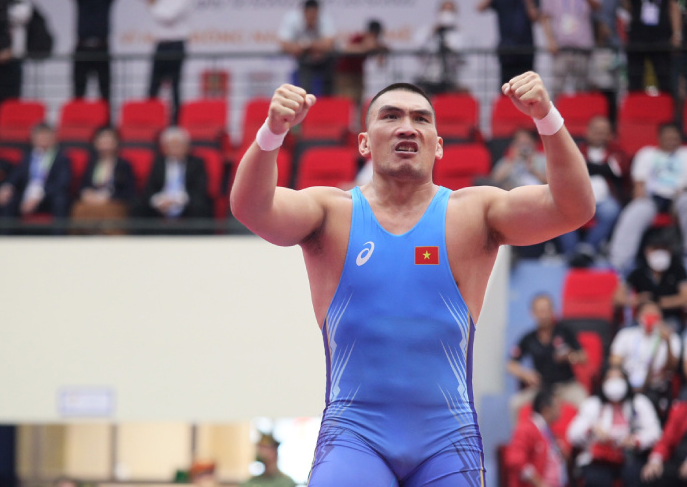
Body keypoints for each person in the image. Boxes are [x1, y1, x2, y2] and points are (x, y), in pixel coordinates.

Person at [230, 70, 595, 484]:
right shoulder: (331, 212)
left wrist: (546, 117)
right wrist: (273, 132)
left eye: (421, 118)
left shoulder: (472, 213)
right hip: (354, 437)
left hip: (447, 443)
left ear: (438, 146)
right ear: (364, 143)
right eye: (391, 116)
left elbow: (574, 208)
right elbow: (251, 208)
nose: (407, 127)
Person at [609, 123, 687, 275]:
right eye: (667, 138)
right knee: (635, 211)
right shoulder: (647, 154)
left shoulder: (685, 155)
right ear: (659, 138)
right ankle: (619, 263)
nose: (671, 141)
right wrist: (641, 201)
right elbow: (639, 184)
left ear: (680, 139)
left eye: (674, 138)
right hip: (652, 197)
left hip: (679, 197)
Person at [567, 365, 662, 487]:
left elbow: (655, 432)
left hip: (630, 457)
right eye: (610, 378)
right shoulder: (593, 404)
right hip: (600, 459)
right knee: (596, 479)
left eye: (619, 378)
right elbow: (572, 435)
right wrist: (591, 429)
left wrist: (636, 440)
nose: (614, 383)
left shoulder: (639, 402)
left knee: (637, 476)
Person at [508, 294, 588, 422]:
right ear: (532, 313)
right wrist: (525, 374)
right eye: (540, 311)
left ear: (553, 311)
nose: (544, 315)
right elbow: (510, 364)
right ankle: (523, 435)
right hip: (541, 388)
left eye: (546, 310)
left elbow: (584, 357)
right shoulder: (528, 338)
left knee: (586, 405)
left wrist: (569, 356)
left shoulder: (565, 331)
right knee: (515, 403)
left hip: (567, 385)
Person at [559, 116, 628, 265]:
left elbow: (618, 169)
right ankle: (571, 254)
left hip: (604, 200)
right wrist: (604, 168)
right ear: (588, 131)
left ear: (610, 134)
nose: (599, 134)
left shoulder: (617, 151)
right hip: (576, 198)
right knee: (562, 211)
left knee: (612, 211)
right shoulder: (575, 147)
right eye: (596, 130)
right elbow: (568, 168)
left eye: (603, 131)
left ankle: (587, 250)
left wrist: (586, 166)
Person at [610, 301, 680, 420]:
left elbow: (672, 368)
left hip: (654, 386)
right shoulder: (626, 335)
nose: (650, 316)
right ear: (638, 316)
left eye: (654, 313)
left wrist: (667, 343)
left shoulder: (671, 337)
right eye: (647, 313)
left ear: (661, 317)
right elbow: (614, 362)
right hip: (628, 384)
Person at [0, 123, 71, 219]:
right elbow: (16, 175)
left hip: (47, 196)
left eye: (46, 135)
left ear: (54, 138)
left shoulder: (61, 158)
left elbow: (61, 183)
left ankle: (58, 229)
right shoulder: (27, 157)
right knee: (7, 200)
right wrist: (7, 187)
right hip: (26, 194)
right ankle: (4, 229)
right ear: (33, 138)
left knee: (60, 200)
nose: (43, 138)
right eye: (40, 135)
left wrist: (38, 196)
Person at [613, 234, 687, 332]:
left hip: (669, 318)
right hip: (642, 318)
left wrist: (659, 303)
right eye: (656, 249)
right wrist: (637, 300)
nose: (660, 253)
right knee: (626, 331)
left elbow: (684, 297)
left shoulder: (677, 270)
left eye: (663, 249)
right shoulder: (638, 271)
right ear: (647, 251)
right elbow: (617, 298)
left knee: (668, 330)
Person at [138, 127, 212, 220]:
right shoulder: (158, 163)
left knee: (201, 206)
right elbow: (149, 188)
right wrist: (159, 201)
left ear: (187, 147)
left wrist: (177, 200)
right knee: (139, 206)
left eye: (178, 146)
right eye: (172, 146)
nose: (175, 149)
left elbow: (199, 189)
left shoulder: (196, 163)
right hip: (162, 202)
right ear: (165, 148)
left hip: (186, 202)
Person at [70, 126, 135, 227]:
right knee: (79, 209)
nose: (105, 144)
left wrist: (108, 197)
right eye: (102, 141)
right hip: (91, 201)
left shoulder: (123, 165)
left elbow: (128, 192)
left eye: (108, 141)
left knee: (108, 212)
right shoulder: (91, 163)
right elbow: (83, 186)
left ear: (116, 143)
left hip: (112, 201)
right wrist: (87, 194)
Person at [539, 0, 602, 97]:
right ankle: (554, 108)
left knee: (582, 89)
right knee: (557, 88)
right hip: (561, 49)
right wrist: (550, 41)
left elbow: (598, 7)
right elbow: (544, 16)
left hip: (582, 49)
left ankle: (581, 108)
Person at [146, 0, 194, 123]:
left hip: (176, 44)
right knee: (153, 85)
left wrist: (151, 3)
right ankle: (151, 119)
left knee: (175, 85)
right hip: (161, 44)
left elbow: (167, 16)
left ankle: (175, 122)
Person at [506, 389, 568, 487]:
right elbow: (515, 461)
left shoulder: (548, 432)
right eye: (557, 406)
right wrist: (539, 483)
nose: (561, 410)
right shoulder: (526, 430)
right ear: (546, 409)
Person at [620, 0, 680, 94]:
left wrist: (676, 34)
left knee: (665, 78)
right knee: (635, 79)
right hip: (638, 36)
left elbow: (673, 6)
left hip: (661, 37)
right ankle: (636, 103)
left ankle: (666, 102)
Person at [477, 0, 540, 89]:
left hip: (526, 49)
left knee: (527, 86)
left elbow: (535, 17)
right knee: (506, 85)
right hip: (506, 49)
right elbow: (480, 7)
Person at [278, 0, 337, 96]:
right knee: (304, 85)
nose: (312, 19)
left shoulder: (325, 19)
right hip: (303, 59)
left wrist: (307, 45)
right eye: (310, 15)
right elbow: (284, 45)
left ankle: (327, 100)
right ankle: (305, 99)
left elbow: (328, 45)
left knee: (330, 67)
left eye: (315, 15)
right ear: (304, 12)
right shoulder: (292, 19)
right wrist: (311, 47)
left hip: (323, 59)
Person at [414, 0, 466, 93]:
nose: (447, 13)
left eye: (450, 10)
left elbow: (460, 56)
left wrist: (448, 46)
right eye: (444, 10)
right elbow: (419, 46)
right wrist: (433, 31)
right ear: (438, 11)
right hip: (428, 76)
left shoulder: (459, 33)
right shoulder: (428, 30)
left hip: (449, 78)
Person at [72, 0, 116, 102]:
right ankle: (78, 113)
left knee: (105, 91)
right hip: (82, 47)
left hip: (101, 47)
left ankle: (106, 113)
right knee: (79, 91)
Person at [334, 20, 388, 105]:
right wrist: (365, 47)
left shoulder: (375, 44)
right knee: (345, 100)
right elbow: (347, 49)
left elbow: (381, 63)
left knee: (359, 100)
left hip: (358, 74)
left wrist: (379, 49)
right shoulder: (359, 38)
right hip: (345, 74)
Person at [641, 400, 687, 485]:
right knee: (652, 476)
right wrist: (655, 461)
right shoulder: (682, 410)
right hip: (677, 461)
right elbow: (666, 440)